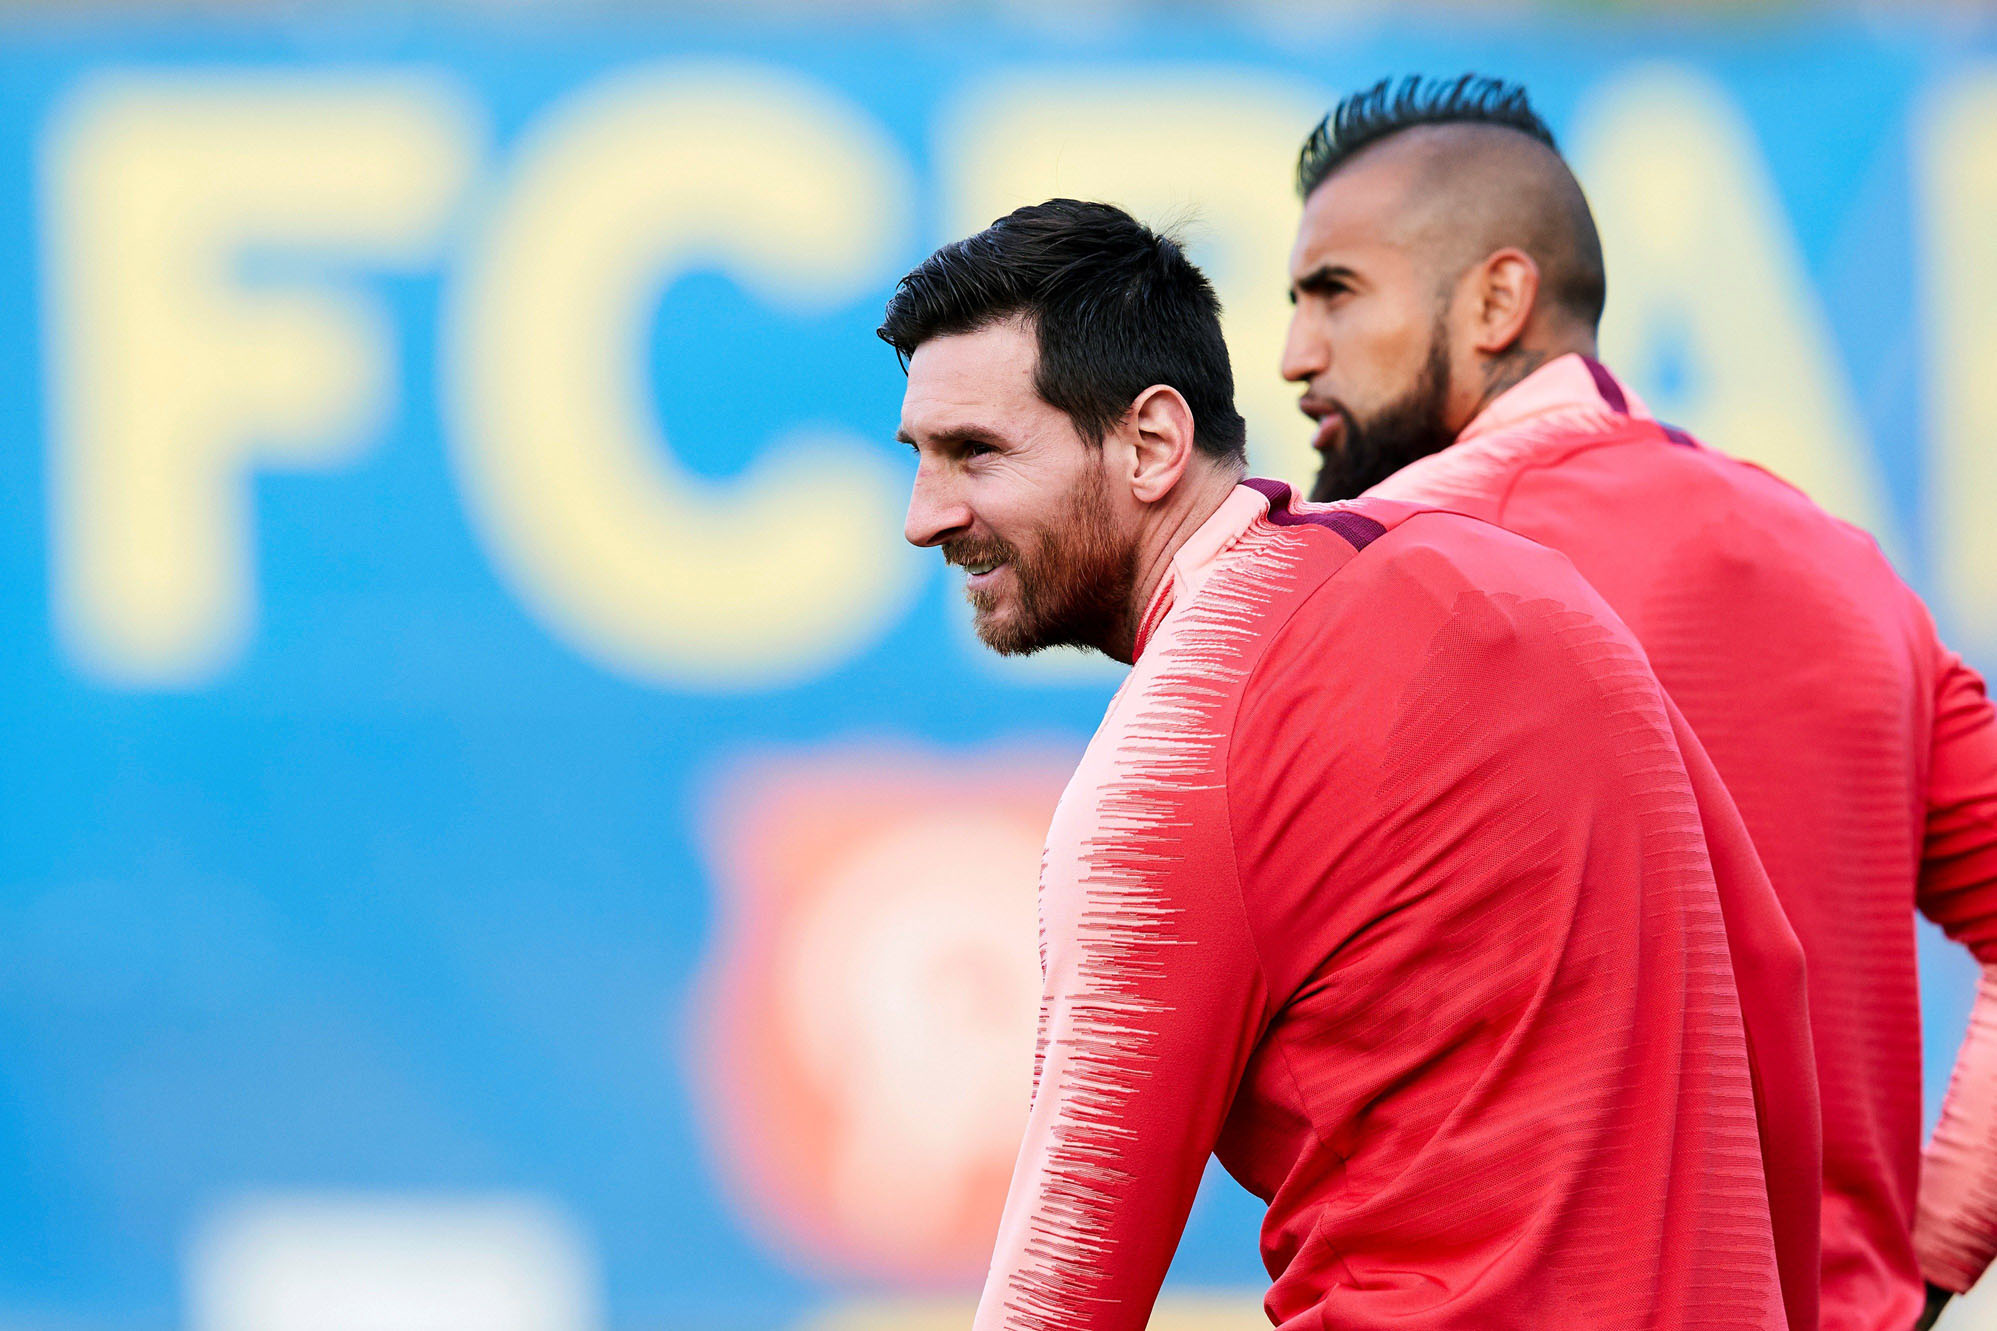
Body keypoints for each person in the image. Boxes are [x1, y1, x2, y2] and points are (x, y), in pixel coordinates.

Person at [883, 197, 1810, 1330]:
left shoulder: (1171, 762)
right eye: (916, 456)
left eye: (973, 451)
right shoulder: (1522, 580)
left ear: (1151, 443)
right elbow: (1766, 976)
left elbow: (1060, 1292)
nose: (925, 516)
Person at [1281, 73, 1997, 1331]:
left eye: (1335, 291)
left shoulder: (1379, 570)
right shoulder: (1851, 568)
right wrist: (1929, 1249)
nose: (1294, 355)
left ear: (1496, 299)